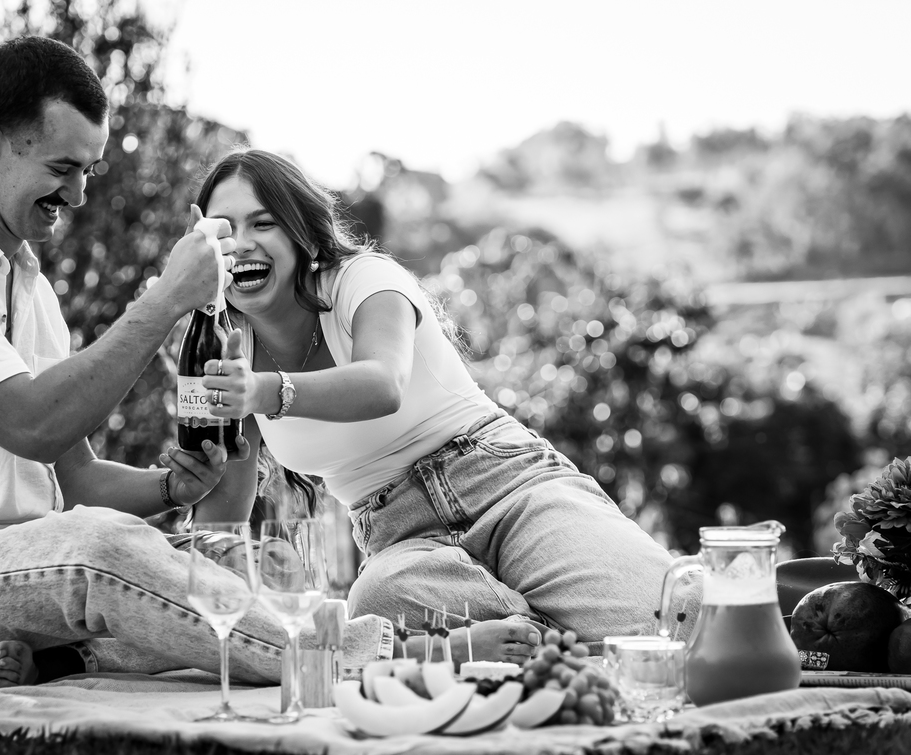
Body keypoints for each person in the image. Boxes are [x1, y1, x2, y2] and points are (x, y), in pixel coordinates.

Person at [0, 37, 392, 689]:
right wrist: (168, 296)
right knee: (103, 550)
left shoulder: (29, 291)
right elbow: (33, 426)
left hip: (14, 578)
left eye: (89, 170)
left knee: (201, 567)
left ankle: (47, 661)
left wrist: (169, 489)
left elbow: (74, 476)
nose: (79, 195)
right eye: (64, 167)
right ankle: (368, 654)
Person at [191, 149, 701, 658]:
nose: (242, 244)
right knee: (375, 598)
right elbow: (222, 521)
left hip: (504, 484)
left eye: (263, 223)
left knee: (674, 624)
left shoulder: (362, 279)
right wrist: (183, 484)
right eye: (224, 230)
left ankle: (545, 644)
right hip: (401, 541)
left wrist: (265, 390)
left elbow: (382, 383)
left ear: (300, 231)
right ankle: (547, 647)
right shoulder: (219, 344)